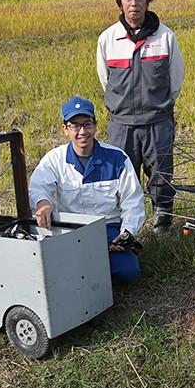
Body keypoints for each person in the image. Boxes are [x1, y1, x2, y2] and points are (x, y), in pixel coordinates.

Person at [97, 0, 185, 235]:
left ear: (148, 1)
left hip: (157, 122)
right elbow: (105, 79)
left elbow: (176, 79)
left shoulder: (165, 37)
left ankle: (162, 225)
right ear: (120, 3)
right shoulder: (108, 39)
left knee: (161, 175)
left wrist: (160, 107)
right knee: (122, 178)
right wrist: (121, 107)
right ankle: (125, 230)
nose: (133, 3)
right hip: (122, 124)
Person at [29, 96, 147, 284]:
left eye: (87, 124)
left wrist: (127, 233)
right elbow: (38, 187)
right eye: (75, 126)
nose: (82, 131)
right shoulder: (54, 159)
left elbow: (133, 201)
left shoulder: (118, 158)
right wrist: (43, 203)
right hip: (70, 230)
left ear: (95, 126)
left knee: (128, 272)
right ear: (65, 129)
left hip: (108, 229)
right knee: (56, 270)